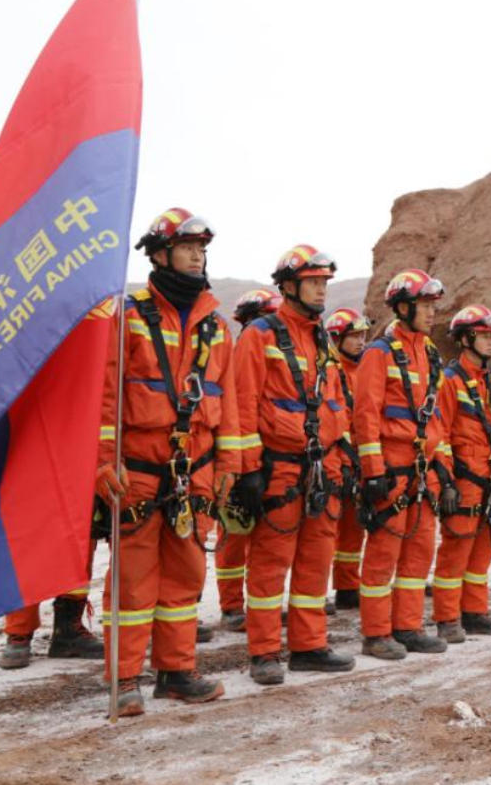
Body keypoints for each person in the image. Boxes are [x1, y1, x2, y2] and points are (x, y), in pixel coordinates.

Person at [95, 208, 243, 715]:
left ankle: (177, 673)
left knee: (185, 579)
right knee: (133, 580)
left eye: (201, 249)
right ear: (160, 255)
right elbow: (104, 396)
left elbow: (228, 401)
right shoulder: (128, 317)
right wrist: (103, 460)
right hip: (136, 472)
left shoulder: (217, 327)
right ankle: (124, 680)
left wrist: (229, 466)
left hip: (195, 473)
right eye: (187, 248)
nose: (197, 256)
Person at [233, 245, 355, 685]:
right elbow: (243, 402)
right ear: (288, 286)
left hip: (323, 469)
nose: (321, 290)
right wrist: (248, 470)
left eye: (324, 283)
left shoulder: (321, 337)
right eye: (313, 283)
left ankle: (309, 647)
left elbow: (335, 400)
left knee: (315, 562)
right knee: (270, 564)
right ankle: (264, 653)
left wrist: (345, 454)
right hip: (279, 468)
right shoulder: (260, 335)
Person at [352, 269, 452, 657]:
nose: (431, 312)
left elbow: (436, 417)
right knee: (383, 554)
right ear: (404, 307)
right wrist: (373, 472)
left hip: (422, 472)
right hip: (392, 471)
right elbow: (366, 414)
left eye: (432, 305)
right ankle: (376, 633)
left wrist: (442, 466)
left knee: (419, 551)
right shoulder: (379, 352)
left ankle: (408, 627)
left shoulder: (428, 353)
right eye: (424, 305)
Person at [430, 305, 491, 642]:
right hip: (464, 479)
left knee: (483, 550)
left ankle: (475, 612)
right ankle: (447, 618)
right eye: (483, 335)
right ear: (466, 339)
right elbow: (440, 433)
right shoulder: (449, 380)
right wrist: (447, 482)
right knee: (455, 551)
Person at [215, 289, 281, 633]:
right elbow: (236, 411)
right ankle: (230, 607)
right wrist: (238, 468)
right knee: (233, 536)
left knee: (263, 539)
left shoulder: (277, 356)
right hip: (237, 461)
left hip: (267, 460)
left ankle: (260, 605)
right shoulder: (238, 354)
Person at [325, 307, 372, 616]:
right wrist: (343, 462)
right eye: (354, 336)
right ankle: (324, 589)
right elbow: (336, 418)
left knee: (355, 528)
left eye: (362, 336)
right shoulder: (331, 371)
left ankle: (347, 588)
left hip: (360, 459)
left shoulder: (364, 370)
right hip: (339, 458)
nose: (360, 342)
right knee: (329, 529)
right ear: (337, 339)